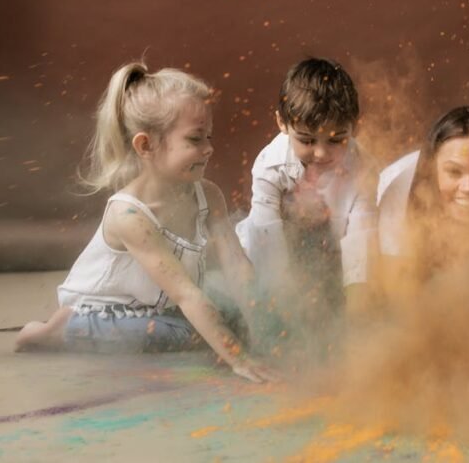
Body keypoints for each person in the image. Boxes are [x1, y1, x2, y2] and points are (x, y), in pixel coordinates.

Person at [15, 62, 278, 382]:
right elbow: (186, 294)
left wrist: (267, 321)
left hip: (160, 306)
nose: (209, 148)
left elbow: (238, 267)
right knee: (190, 335)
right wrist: (239, 358)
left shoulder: (208, 195)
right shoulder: (130, 215)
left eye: (208, 136)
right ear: (146, 145)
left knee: (231, 318)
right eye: (195, 139)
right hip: (106, 310)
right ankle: (59, 330)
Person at [235, 58, 376, 343]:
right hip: (276, 250)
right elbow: (266, 241)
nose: (321, 154)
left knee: (358, 312)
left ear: (355, 128)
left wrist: (358, 317)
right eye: (308, 141)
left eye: (336, 140)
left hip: (333, 256)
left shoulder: (364, 167)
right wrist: (284, 313)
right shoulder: (270, 167)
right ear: (282, 124)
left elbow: (360, 240)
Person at [376, 106, 469, 294]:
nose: (468, 187)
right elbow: (400, 301)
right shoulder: (397, 192)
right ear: (430, 168)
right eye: (454, 172)